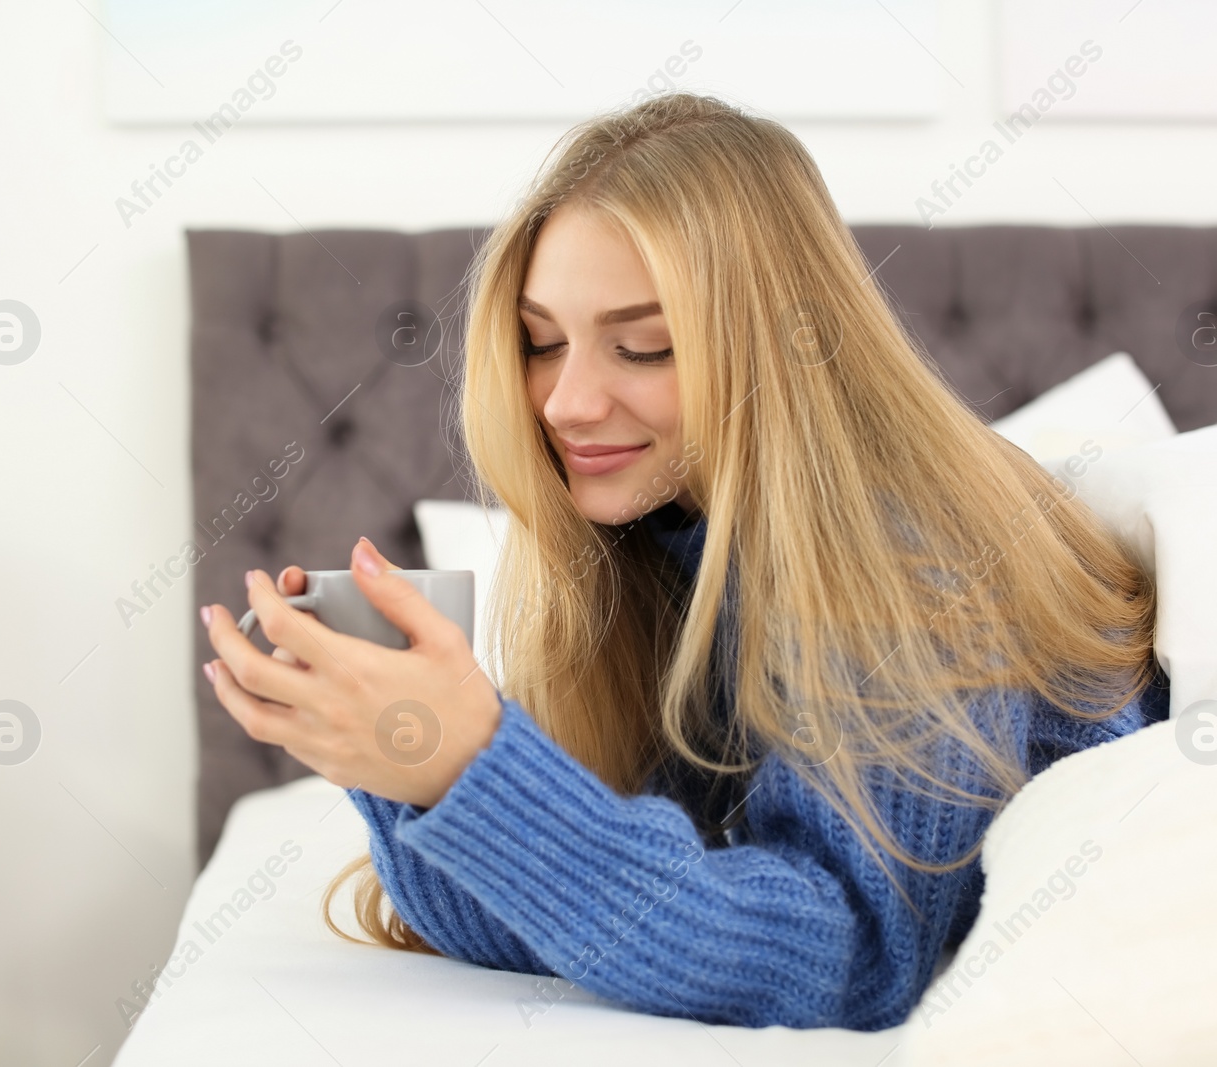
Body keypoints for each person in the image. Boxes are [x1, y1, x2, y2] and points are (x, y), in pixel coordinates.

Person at [200, 91, 1166, 1031]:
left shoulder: (904, 551)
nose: (566, 401)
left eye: (645, 347)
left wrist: (474, 762)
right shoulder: (665, 545)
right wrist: (408, 764)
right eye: (541, 342)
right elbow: (594, 925)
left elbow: (858, 956)